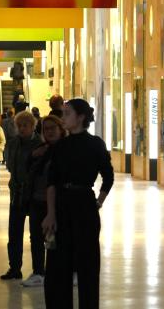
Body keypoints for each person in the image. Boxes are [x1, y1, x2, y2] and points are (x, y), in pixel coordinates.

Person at [42, 98, 114, 309]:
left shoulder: (95, 144)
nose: (63, 118)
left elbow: (108, 177)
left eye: (67, 113)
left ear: (80, 117)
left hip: (84, 204)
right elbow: (52, 182)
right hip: (62, 205)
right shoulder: (60, 146)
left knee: (87, 265)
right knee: (58, 265)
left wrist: (98, 202)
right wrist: (50, 213)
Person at [22, 115, 66, 288]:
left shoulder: (65, 149)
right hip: (37, 200)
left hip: (57, 202)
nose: (49, 132)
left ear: (60, 129)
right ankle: (39, 272)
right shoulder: (41, 149)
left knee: (58, 239)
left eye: (52, 128)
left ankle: (62, 271)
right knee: (36, 238)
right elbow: (28, 170)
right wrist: (32, 156)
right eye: (45, 129)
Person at [2, 110, 42, 281]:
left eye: (25, 125)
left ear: (32, 126)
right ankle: (14, 268)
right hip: (17, 193)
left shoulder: (40, 144)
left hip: (34, 194)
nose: (22, 128)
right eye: (19, 126)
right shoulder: (13, 143)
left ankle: (39, 269)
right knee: (14, 232)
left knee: (36, 234)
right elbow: (10, 165)